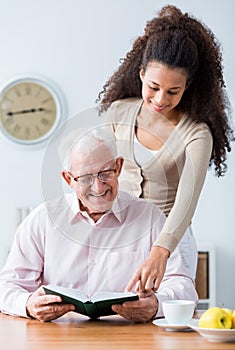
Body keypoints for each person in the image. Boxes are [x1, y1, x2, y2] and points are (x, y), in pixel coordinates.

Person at [97, 5, 234, 293]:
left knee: (165, 327)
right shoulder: (119, 113)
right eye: (153, 86)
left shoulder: (196, 134)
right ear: (142, 72)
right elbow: (103, 177)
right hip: (119, 238)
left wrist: (160, 252)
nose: (160, 99)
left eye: (173, 91)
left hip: (170, 243)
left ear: (188, 87)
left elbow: (187, 200)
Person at [0, 127, 198, 322]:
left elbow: (184, 287)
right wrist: (27, 303)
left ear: (119, 167)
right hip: (58, 338)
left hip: (129, 338)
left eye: (105, 173)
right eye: (85, 178)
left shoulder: (149, 217)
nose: (98, 186)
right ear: (68, 179)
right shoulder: (42, 219)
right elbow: (6, 287)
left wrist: (156, 305)